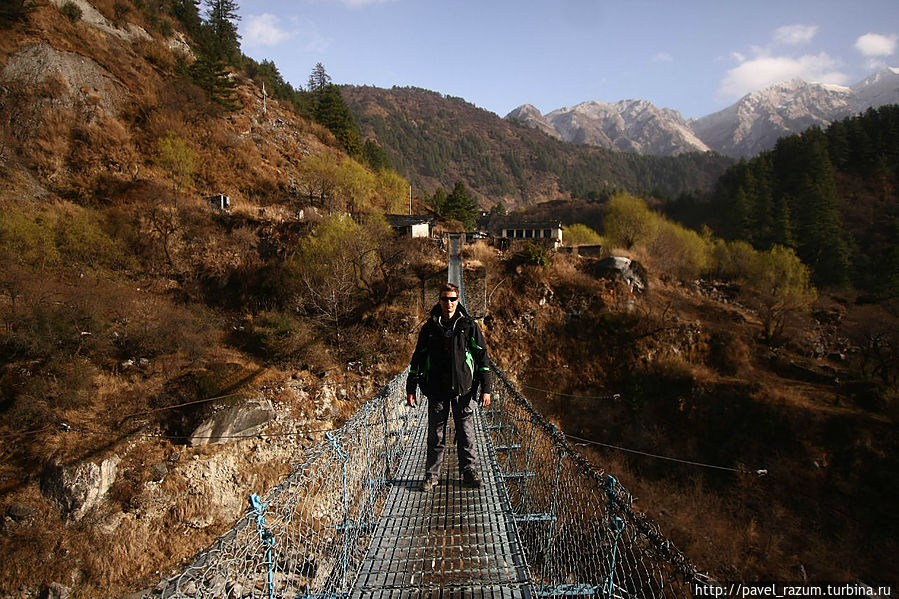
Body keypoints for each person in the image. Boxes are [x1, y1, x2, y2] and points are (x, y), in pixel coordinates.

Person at [406, 283, 492, 491]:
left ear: (458, 301)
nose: (449, 303)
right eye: (445, 299)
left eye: (453, 299)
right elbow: (418, 357)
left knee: (466, 432)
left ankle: (468, 472)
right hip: (436, 389)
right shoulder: (429, 328)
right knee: (436, 435)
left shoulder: (468, 326)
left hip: (464, 389)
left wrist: (486, 388)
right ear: (439, 300)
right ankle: (431, 475)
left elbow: (482, 357)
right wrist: (411, 387)